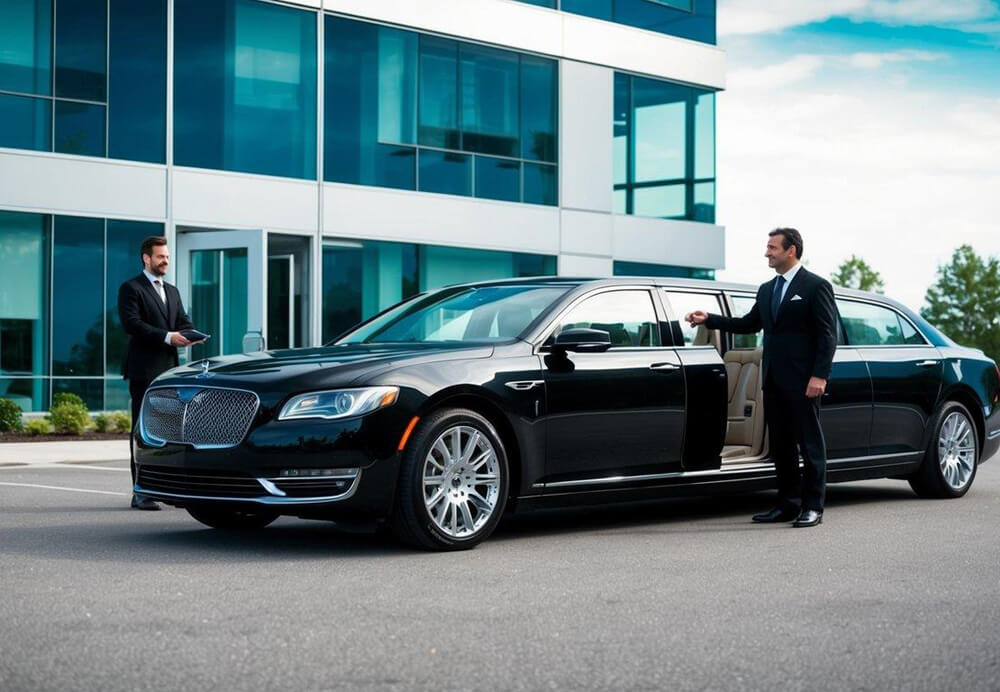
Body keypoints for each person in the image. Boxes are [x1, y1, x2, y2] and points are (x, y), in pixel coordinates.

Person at [686, 228, 837, 528]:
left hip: (804, 381)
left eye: (772, 247)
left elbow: (827, 335)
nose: (767, 253)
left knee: (810, 445)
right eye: (767, 247)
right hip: (774, 381)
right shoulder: (767, 289)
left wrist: (819, 376)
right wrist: (711, 320)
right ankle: (788, 505)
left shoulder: (815, 286)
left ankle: (813, 507)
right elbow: (749, 324)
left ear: (790, 250)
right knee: (781, 445)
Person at [117, 236, 199, 510]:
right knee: (142, 431)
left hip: (169, 371)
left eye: (167, 257)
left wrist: (190, 335)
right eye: (160, 257)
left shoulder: (172, 291)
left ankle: (166, 486)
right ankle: (140, 491)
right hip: (143, 370)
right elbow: (132, 324)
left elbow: (183, 322)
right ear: (146, 258)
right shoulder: (131, 288)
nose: (165, 261)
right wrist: (168, 337)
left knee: (169, 430)